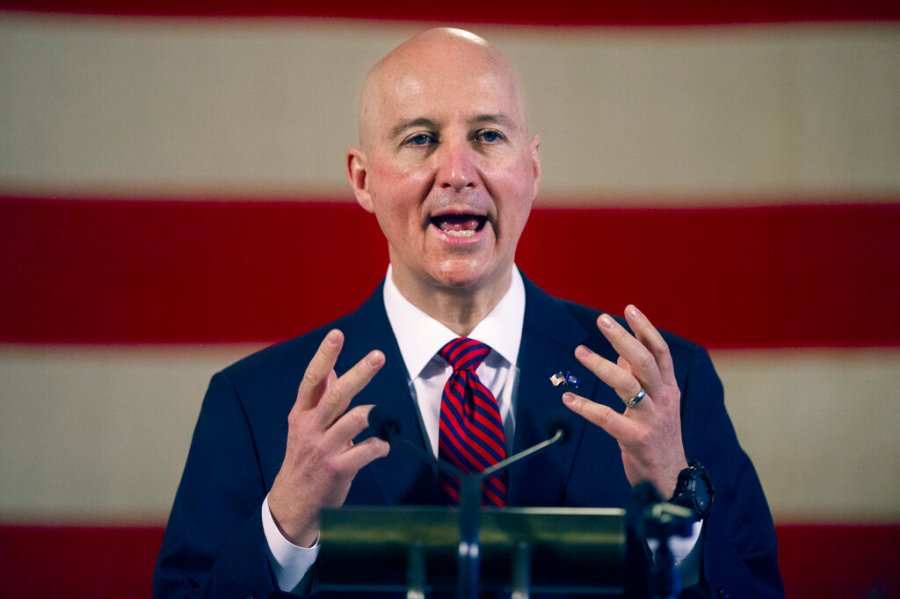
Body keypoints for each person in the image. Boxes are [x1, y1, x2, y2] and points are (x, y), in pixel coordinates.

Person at [154, 27, 782, 598]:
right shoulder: (255, 403)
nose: (457, 172)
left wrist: (677, 504)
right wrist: (286, 526)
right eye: (420, 139)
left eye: (487, 135)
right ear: (363, 178)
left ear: (531, 169)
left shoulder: (664, 389)